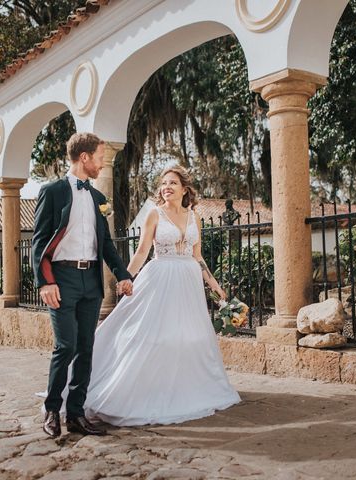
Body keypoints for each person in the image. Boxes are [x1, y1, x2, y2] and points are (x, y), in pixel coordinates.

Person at [83, 165, 241, 426]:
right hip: (160, 278)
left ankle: (185, 389)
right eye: (163, 183)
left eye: (173, 183)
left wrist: (214, 285)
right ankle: (147, 389)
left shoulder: (194, 217)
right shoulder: (154, 214)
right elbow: (142, 251)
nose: (166, 187)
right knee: (154, 336)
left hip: (188, 280)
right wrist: (126, 277)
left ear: (184, 189)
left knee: (189, 337)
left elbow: (197, 255)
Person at [32, 132, 133, 438]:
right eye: (100, 158)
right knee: (66, 346)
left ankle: (76, 413)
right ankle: (52, 410)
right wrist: (44, 282)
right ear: (84, 157)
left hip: (91, 280)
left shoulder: (98, 198)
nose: (102, 164)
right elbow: (38, 243)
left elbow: (106, 246)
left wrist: (123, 274)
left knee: (86, 349)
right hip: (61, 279)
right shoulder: (53, 191)